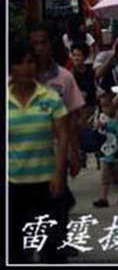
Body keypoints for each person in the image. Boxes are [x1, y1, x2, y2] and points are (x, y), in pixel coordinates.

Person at [9, 37, 71, 263]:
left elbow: (62, 136)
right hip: (13, 181)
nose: (26, 68)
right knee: (16, 246)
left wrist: (58, 172)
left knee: (51, 246)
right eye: (20, 63)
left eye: (30, 62)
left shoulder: (50, 98)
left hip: (46, 180)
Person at [93, 91, 118, 208]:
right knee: (105, 174)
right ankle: (104, 197)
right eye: (102, 106)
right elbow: (99, 130)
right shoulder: (102, 117)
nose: (105, 109)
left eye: (107, 106)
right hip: (106, 150)